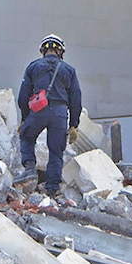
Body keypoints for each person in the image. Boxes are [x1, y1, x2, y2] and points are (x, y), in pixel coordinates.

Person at [15, 34, 82, 197]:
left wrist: (25, 119)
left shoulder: (33, 67)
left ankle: (30, 168)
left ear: (43, 51)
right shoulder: (69, 70)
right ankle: (52, 189)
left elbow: (23, 97)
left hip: (38, 110)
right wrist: (74, 125)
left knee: (27, 136)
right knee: (56, 150)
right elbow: (76, 99)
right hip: (59, 113)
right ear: (60, 52)